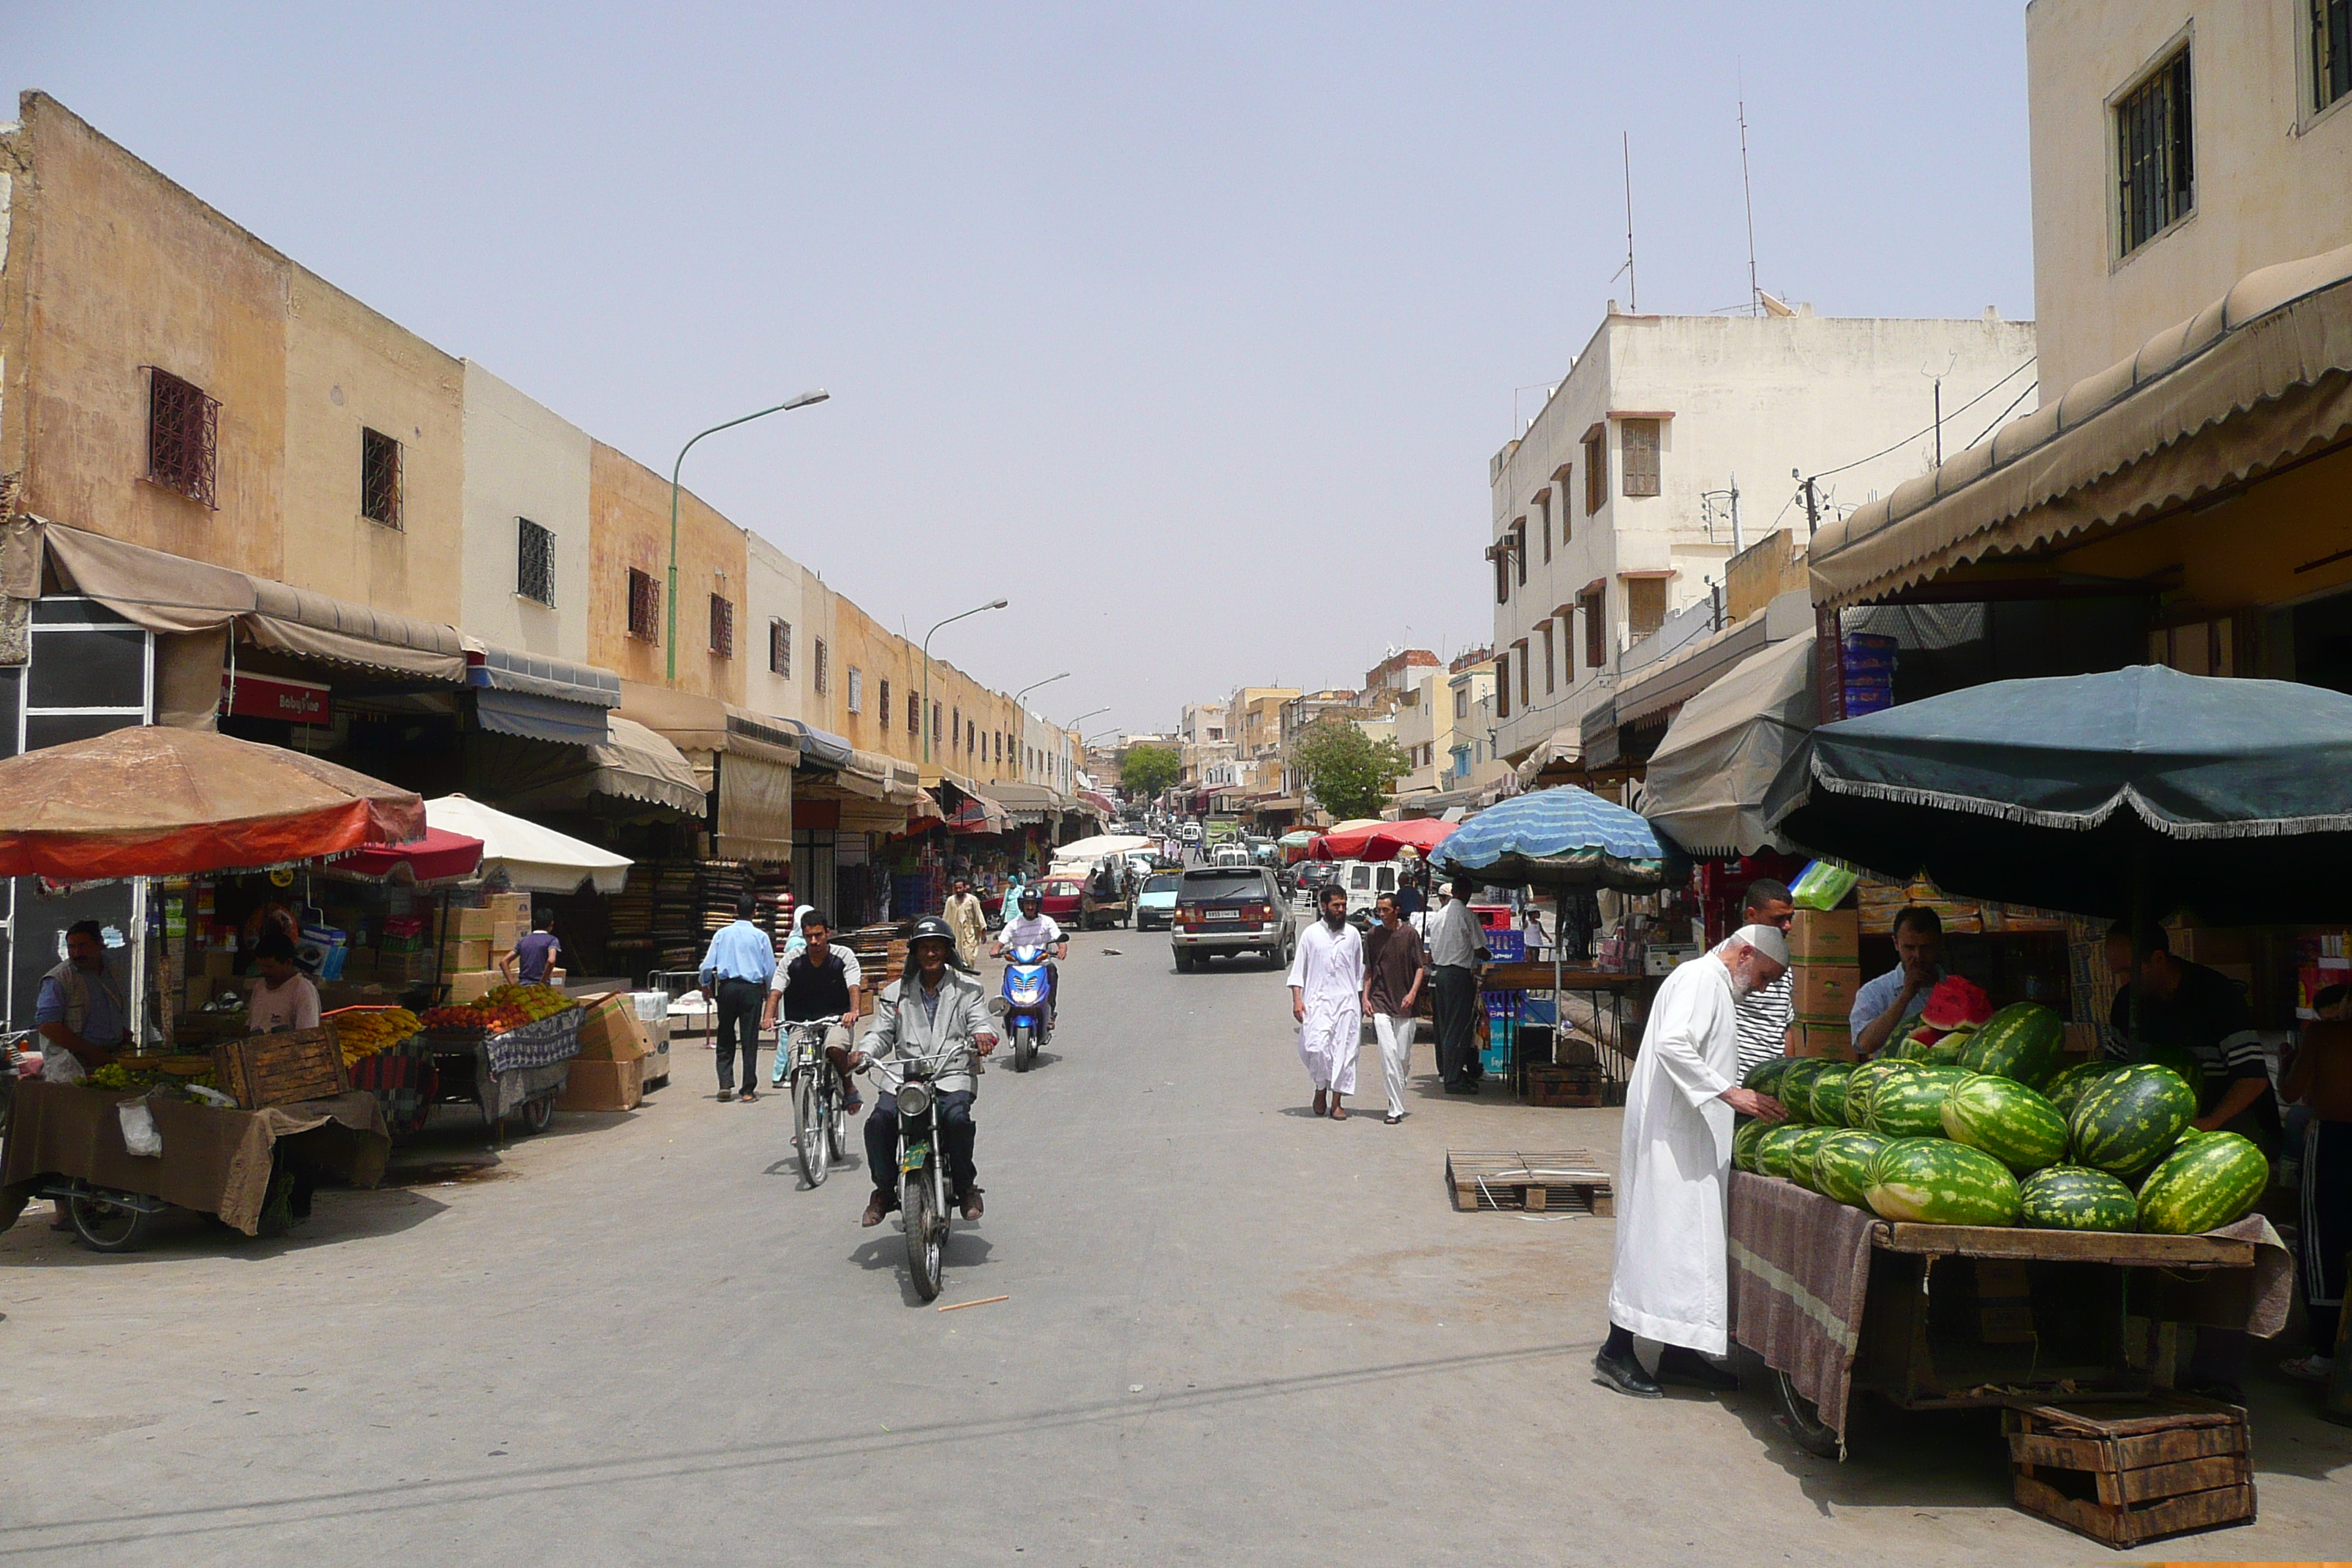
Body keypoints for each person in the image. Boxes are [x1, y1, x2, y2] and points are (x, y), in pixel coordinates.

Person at [1596, 925, 1792, 1398]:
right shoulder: (1701, 980)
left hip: (1688, 1136)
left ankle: (1679, 1353)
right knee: (1657, 1241)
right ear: (1745, 954)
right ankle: (1616, 1351)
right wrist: (1731, 1093)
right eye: (1764, 977)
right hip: (1672, 1139)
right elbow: (1672, 1043)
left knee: (1685, 1247)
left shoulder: (1713, 984)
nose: (1762, 989)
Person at [2103, 921, 2281, 1402]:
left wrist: (2208, 1123)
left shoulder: (2214, 996)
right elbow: (2111, 1077)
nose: (2121, 981)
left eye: (2128, 970)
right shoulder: (2127, 1006)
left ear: (2158, 959)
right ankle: (2135, 1363)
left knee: (2222, 1251)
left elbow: (2253, 1079)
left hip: (2231, 1126)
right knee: (2156, 1244)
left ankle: (2215, 1377)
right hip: (2163, 1135)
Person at [853, 915, 998, 1226]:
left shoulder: (968, 989)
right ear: (915, 953)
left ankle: (965, 1185)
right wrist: (864, 1052)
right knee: (879, 1122)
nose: (931, 954)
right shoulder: (895, 993)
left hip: (952, 1073)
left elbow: (980, 1020)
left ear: (947, 952)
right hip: (905, 1079)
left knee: (956, 1119)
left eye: (937, 948)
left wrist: (983, 1036)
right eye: (924, 948)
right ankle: (883, 1190)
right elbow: (881, 1033)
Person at [2281, 1010, 2352, 1383]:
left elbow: (2291, 1092)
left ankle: (2325, 1355)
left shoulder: (2325, 1035)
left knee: (2322, 1246)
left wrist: (2286, 1064)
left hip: (2333, 1142)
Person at [761, 908, 864, 1109]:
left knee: (834, 1048)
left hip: (836, 1019)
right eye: (809, 937)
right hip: (801, 1022)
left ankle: (848, 1085)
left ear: (828, 933)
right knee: (796, 1067)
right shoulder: (792, 960)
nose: (814, 941)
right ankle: (802, 1123)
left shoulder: (844, 956)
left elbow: (854, 985)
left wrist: (854, 1011)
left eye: (818, 935)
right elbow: (775, 991)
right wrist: (768, 1017)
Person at [1289, 883, 1365, 1119]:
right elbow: (1298, 971)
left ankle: (1337, 1102)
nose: (1341, 910)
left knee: (1344, 1052)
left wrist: (1361, 1003)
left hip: (1346, 1004)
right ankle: (1320, 1086)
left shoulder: (1352, 935)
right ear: (1324, 907)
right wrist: (1297, 1001)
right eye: (1336, 905)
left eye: (1343, 905)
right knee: (1316, 1047)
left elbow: (1359, 973)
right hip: (1317, 1003)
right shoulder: (1311, 934)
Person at [697, 893, 777, 1103]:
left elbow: (707, 965)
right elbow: (770, 970)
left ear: (735, 911)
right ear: (755, 913)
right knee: (750, 1039)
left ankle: (725, 1084)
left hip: (727, 989)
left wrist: (705, 984)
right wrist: (771, 996)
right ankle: (748, 1090)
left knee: (725, 1034)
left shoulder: (722, 934)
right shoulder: (760, 937)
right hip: (751, 990)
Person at [1362, 891, 1428, 1126]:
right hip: (1380, 1002)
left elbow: (1420, 967)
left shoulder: (1410, 935)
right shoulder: (1372, 936)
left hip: (1405, 1005)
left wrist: (1412, 993)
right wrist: (1365, 998)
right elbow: (1369, 970)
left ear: (1397, 910)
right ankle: (1395, 1109)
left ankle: (1395, 1098)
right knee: (1388, 1054)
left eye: (1385, 910)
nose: (1381, 914)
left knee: (1402, 1058)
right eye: (1378, 910)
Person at [34, 920, 128, 1083]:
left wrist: (120, 1032)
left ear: (100, 944)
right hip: (73, 1064)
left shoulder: (112, 970)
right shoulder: (59, 978)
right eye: (72, 947)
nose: (77, 953)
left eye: (83, 946)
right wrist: (91, 1052)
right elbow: (48, 1026)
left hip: (111, 1057)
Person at [1850, 906, 1945, 1058]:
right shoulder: (1874, 992)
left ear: (1939, 943)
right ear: (1896, 943)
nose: (1918, 956)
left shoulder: (1957, 990)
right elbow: (1865, 1044)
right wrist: (1906, 995)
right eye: (1909, 948)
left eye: (1926, 947)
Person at [1425, 878, 1490, 1093]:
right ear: (1466, 892)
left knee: (1445, 1026)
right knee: (1458, 1028)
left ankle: (1448, 1071)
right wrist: (1488, 955)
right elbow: (1480, 949)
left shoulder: (1439, 915)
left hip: (1440, 974)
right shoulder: (1466, 915)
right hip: (1458, 975)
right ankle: (1453, 1079)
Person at [1732, 880, 1799, 1081]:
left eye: (1790, 918)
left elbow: (1784, 1026)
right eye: (1778, 919)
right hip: (1737, 1090)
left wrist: (1789, 1076)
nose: (1788, 926)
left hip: (1772, 1086)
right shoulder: (1728, 965)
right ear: (1751, 915)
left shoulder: (1780, 966)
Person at [992, 887, 1068, 1033]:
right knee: (1007, 971)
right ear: (1022, 905)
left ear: (1038, 905)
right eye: (1027, 904)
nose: (1030, 907)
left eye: (1033, 903)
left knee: (1052, 970)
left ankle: (1050, 1011)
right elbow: (1000, 943)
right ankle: (1008, 1009)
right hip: (1018, 964)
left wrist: (1062, 949)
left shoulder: (1047, 922)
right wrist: (995, 950)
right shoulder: (1013, 924)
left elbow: (1060, 940)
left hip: (1041, 963)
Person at [246, 931, 323, 1033]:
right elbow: (250, 1024)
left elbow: (307, 1036)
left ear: (288, 962)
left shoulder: (303, 991)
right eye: (260, 966)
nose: (263, 971)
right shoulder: (260, 986)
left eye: (269, 967)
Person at [501, 910, 560, 986]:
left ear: (535, 923)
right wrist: (543, 983)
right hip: (540, 989)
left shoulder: (524, 941)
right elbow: (551, 961)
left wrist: (513, 985)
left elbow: (504, 961)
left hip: (523, 987)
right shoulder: (552, 940)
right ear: (552, 923)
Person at [942, 877, 989, 973]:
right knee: (956, 958)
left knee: (969, 957)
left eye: (960, 888)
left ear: (965, 888)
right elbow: (945, 918)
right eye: (956, 889)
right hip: (955, 935)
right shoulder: (951, 901)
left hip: (969, 935)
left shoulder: (972, 900)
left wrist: (983, 932)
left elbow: (979, 916)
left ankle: (968, 976)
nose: (959, 890)